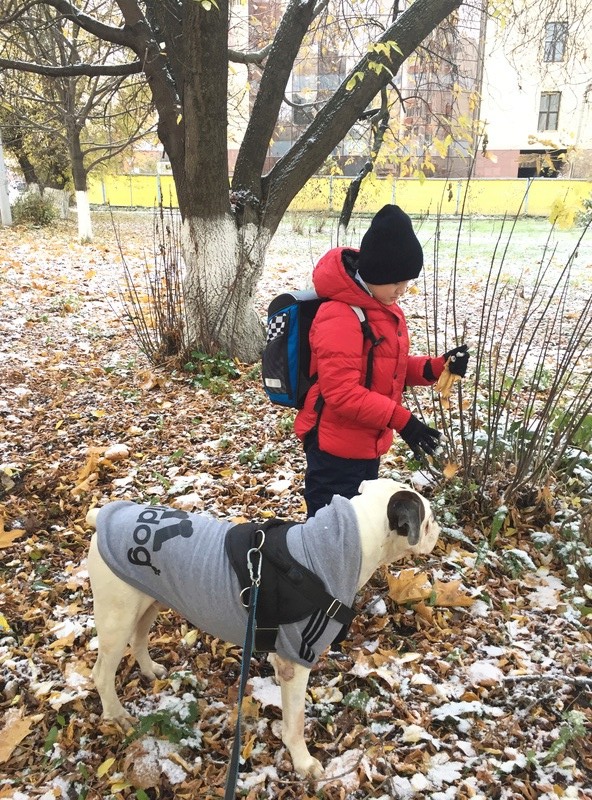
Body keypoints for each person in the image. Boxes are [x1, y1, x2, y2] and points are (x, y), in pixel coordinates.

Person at [294, 204, 469, 518]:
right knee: (325, 538)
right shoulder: (339, 315)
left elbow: (389, 368)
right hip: (334, 449)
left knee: (354, 533)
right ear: (374, 272)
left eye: (407, 282)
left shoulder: (383, 308)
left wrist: (435, 367)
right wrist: (403, 420)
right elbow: (342, 393)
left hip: (366, 445)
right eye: (395, 282)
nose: (401, 291)